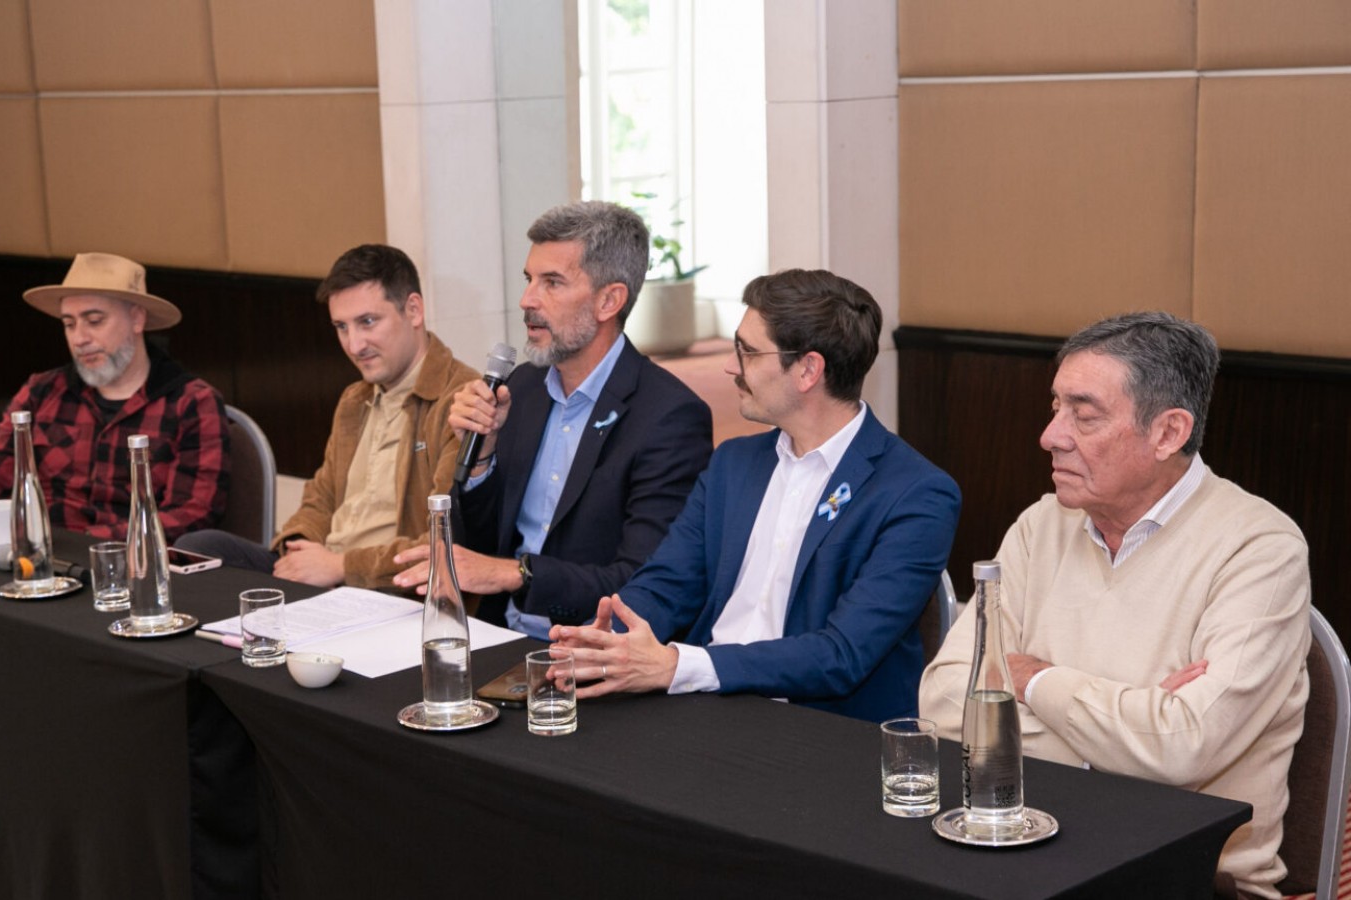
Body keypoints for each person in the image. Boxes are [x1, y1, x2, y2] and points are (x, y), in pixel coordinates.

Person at [919, 312, 1310, 900]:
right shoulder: (1041, 525)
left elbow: (1184, 745)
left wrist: (1032, 678)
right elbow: (945, 698)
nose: (1051, 435)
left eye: (1084, 415)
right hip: (1022, 845)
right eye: (1056, 407)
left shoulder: (1260, 548)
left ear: (1168, 433)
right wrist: (1132, 727)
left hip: (1186, 878)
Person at [549, 269, 960, 721]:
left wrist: (679, 666)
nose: (731, 365)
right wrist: (605, 642)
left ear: (808, 370)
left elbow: (842, 655)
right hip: (702, 705)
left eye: (747, 351)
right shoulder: (734, 463)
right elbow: (667, 584)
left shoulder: (916, 494)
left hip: (821, 730)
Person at [392, 201, 714, 637]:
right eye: (529, 279)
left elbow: (642, 583)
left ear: (609, 301)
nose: (527, 300)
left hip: (591, 649)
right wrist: (482, 456)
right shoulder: (521, 388)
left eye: (552, 283)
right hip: (496, 632)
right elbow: (478, 550)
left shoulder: (669, 417)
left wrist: (516, 574)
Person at [176, 244, 478, 589]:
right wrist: (299, 549)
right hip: (327, 576)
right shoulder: (354, 399)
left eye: (367, 322)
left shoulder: (462, 400)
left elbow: (443, 541)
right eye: (341, 327)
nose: (354, 345)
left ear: (413, 310)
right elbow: (319, 499)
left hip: (384, 588)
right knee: (197, 548)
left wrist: (341, 566)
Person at [0, 252, 229, 541]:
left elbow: (191, 513)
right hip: (43, 552)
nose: (79, 339)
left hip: (132, 558)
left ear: (137, 318)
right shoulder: (43, 391)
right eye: (69, 324)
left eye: (94, 321)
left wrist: (84, 543)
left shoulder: (191, 403)